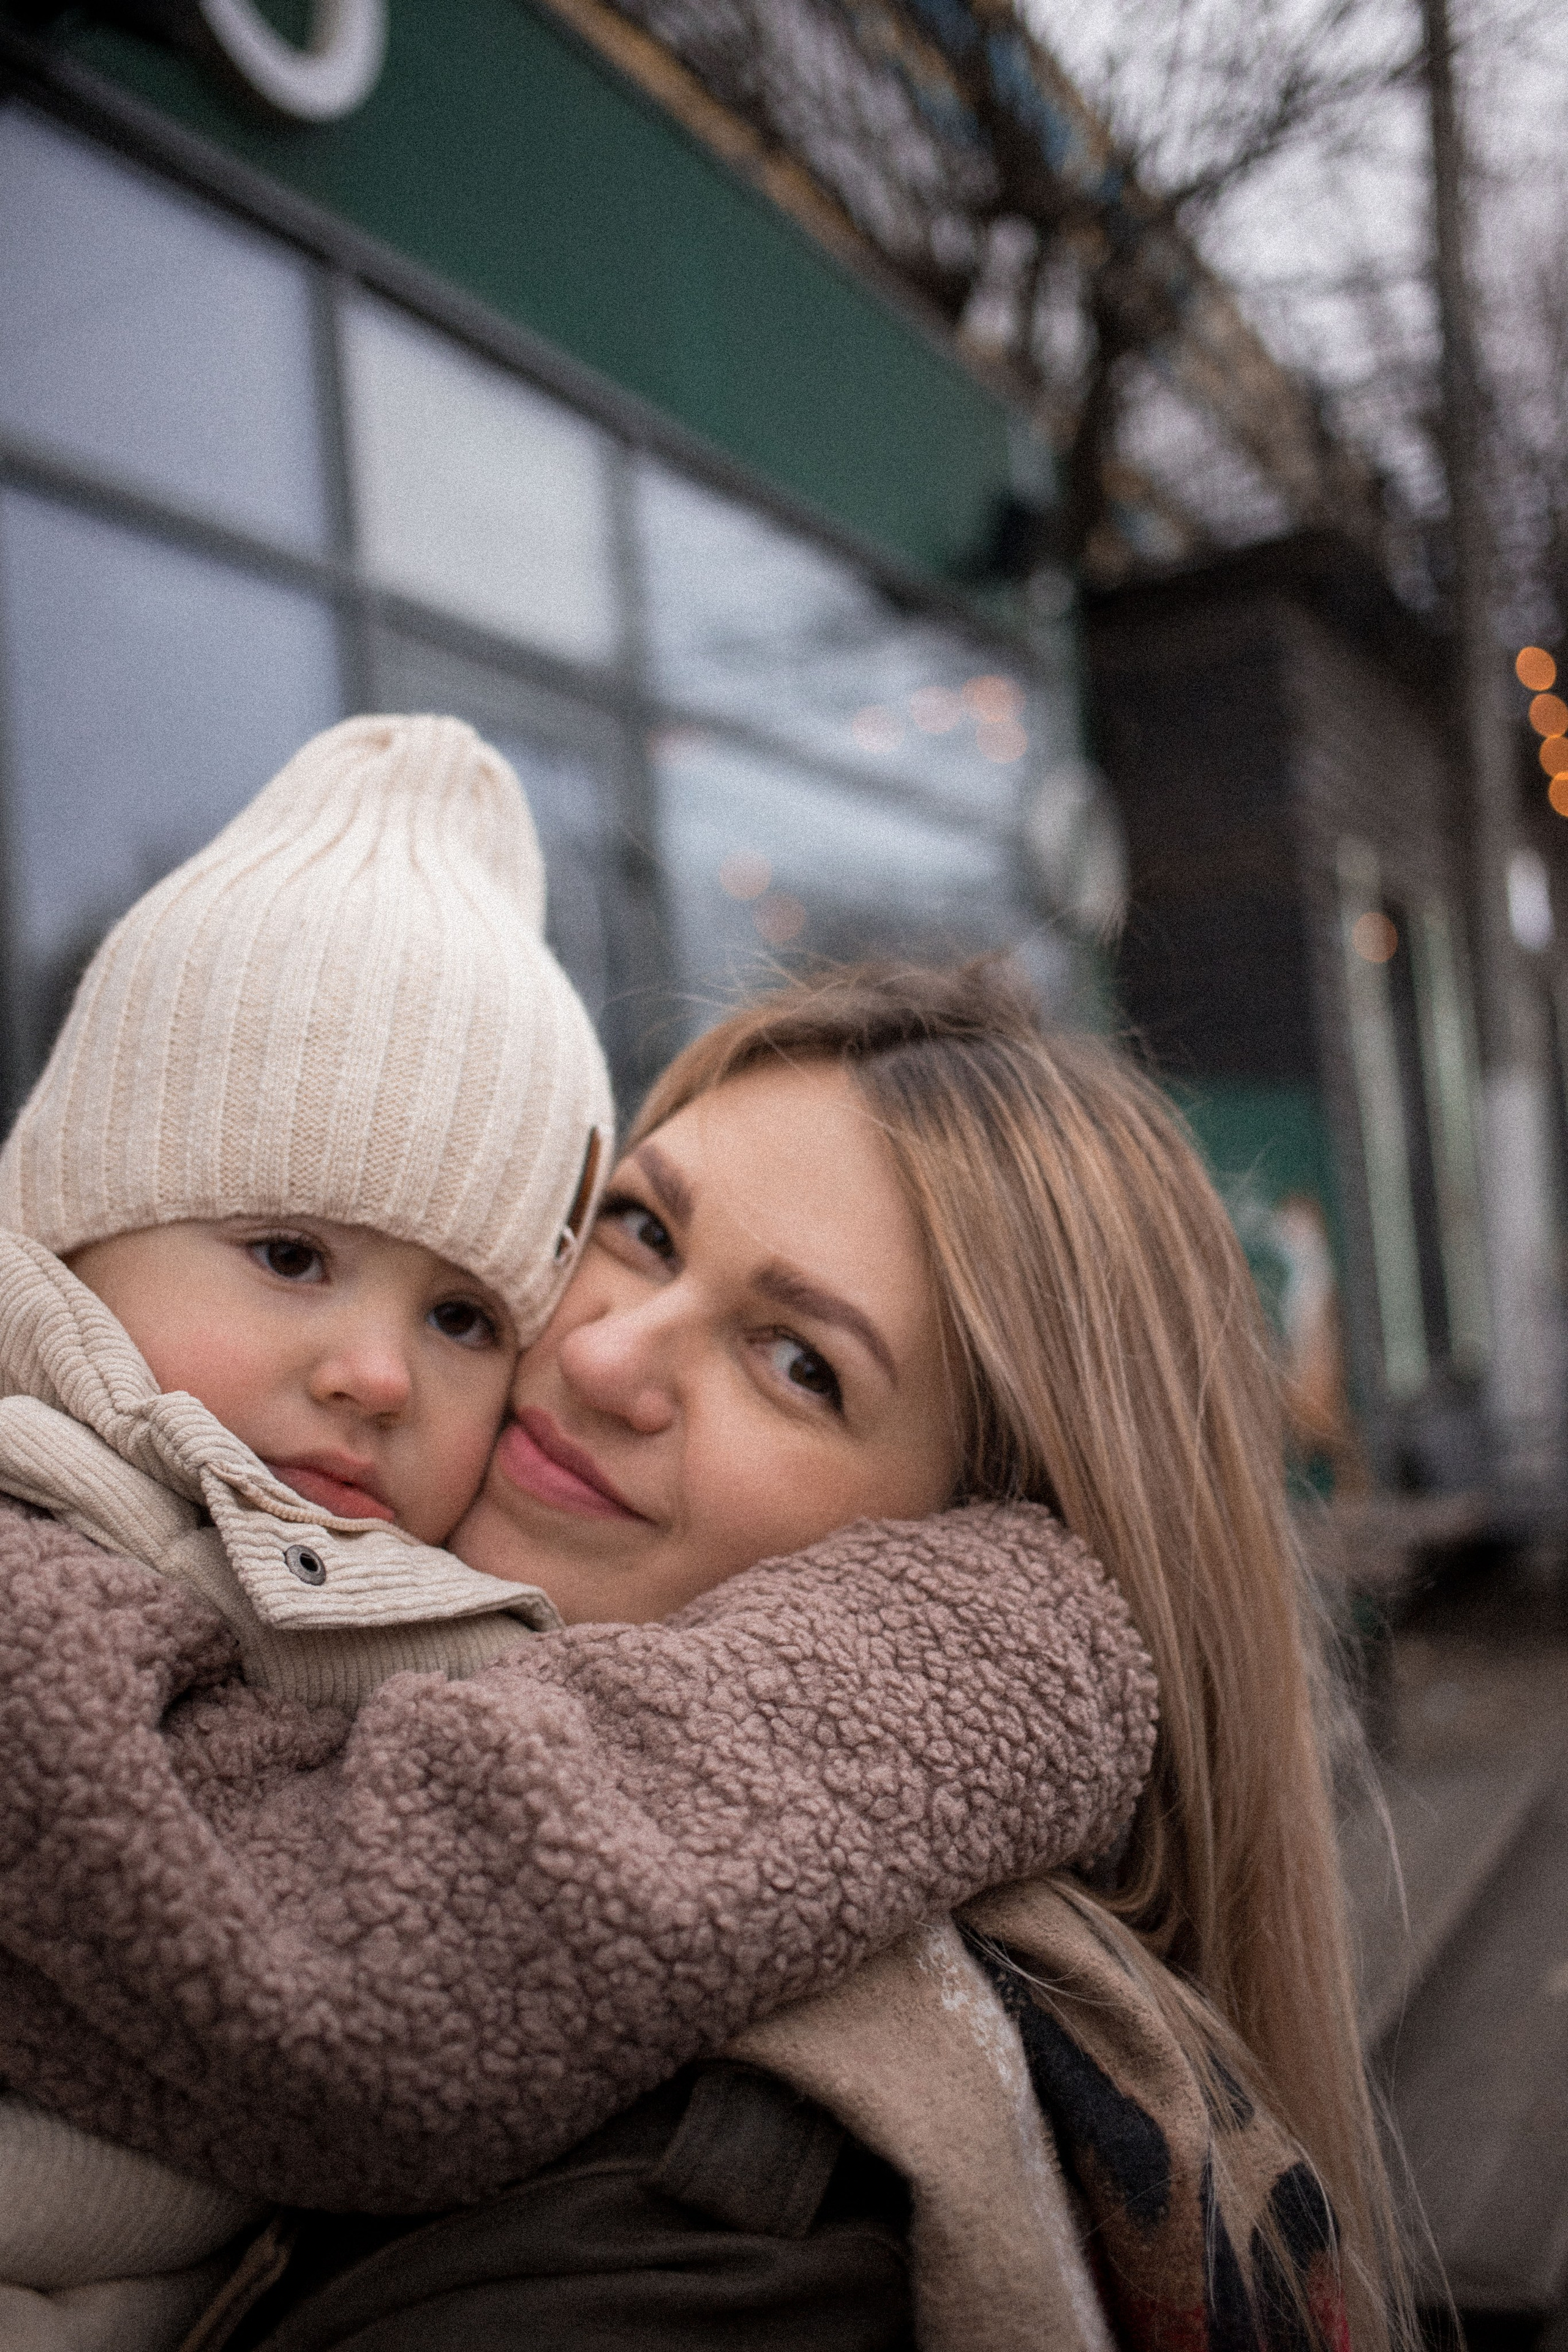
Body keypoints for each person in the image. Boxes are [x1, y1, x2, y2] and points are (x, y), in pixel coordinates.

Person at [0, 962, 1409, 2350]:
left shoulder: (724, 2223)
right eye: (640, 1232)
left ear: (963, 1564)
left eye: (798, 1363)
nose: (609, 1359)